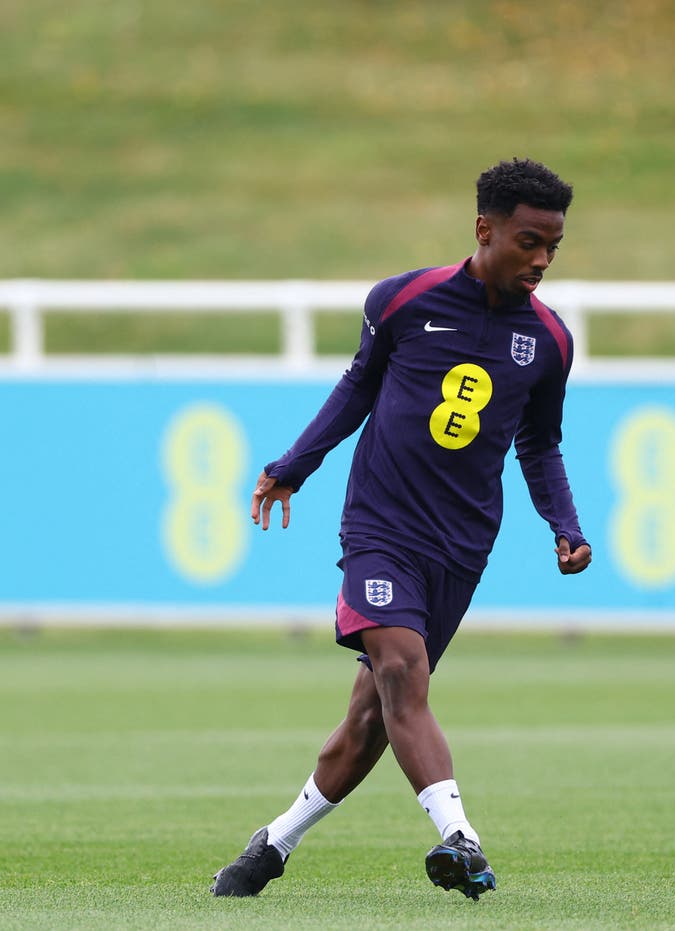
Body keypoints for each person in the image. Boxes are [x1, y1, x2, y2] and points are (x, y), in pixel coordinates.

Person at [210, 158, 592, 899]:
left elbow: (540, 443)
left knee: (371, 718)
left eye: (554, 246)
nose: (542, 260)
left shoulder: (549, 341)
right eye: (528, 241)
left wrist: (565, 525)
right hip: (381, 527)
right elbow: (357, 386)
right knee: (398, 670)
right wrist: (295, 464)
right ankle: (462, 838)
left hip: (463, 545)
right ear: (484, 229)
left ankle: (272, 845)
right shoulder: (404, 301)